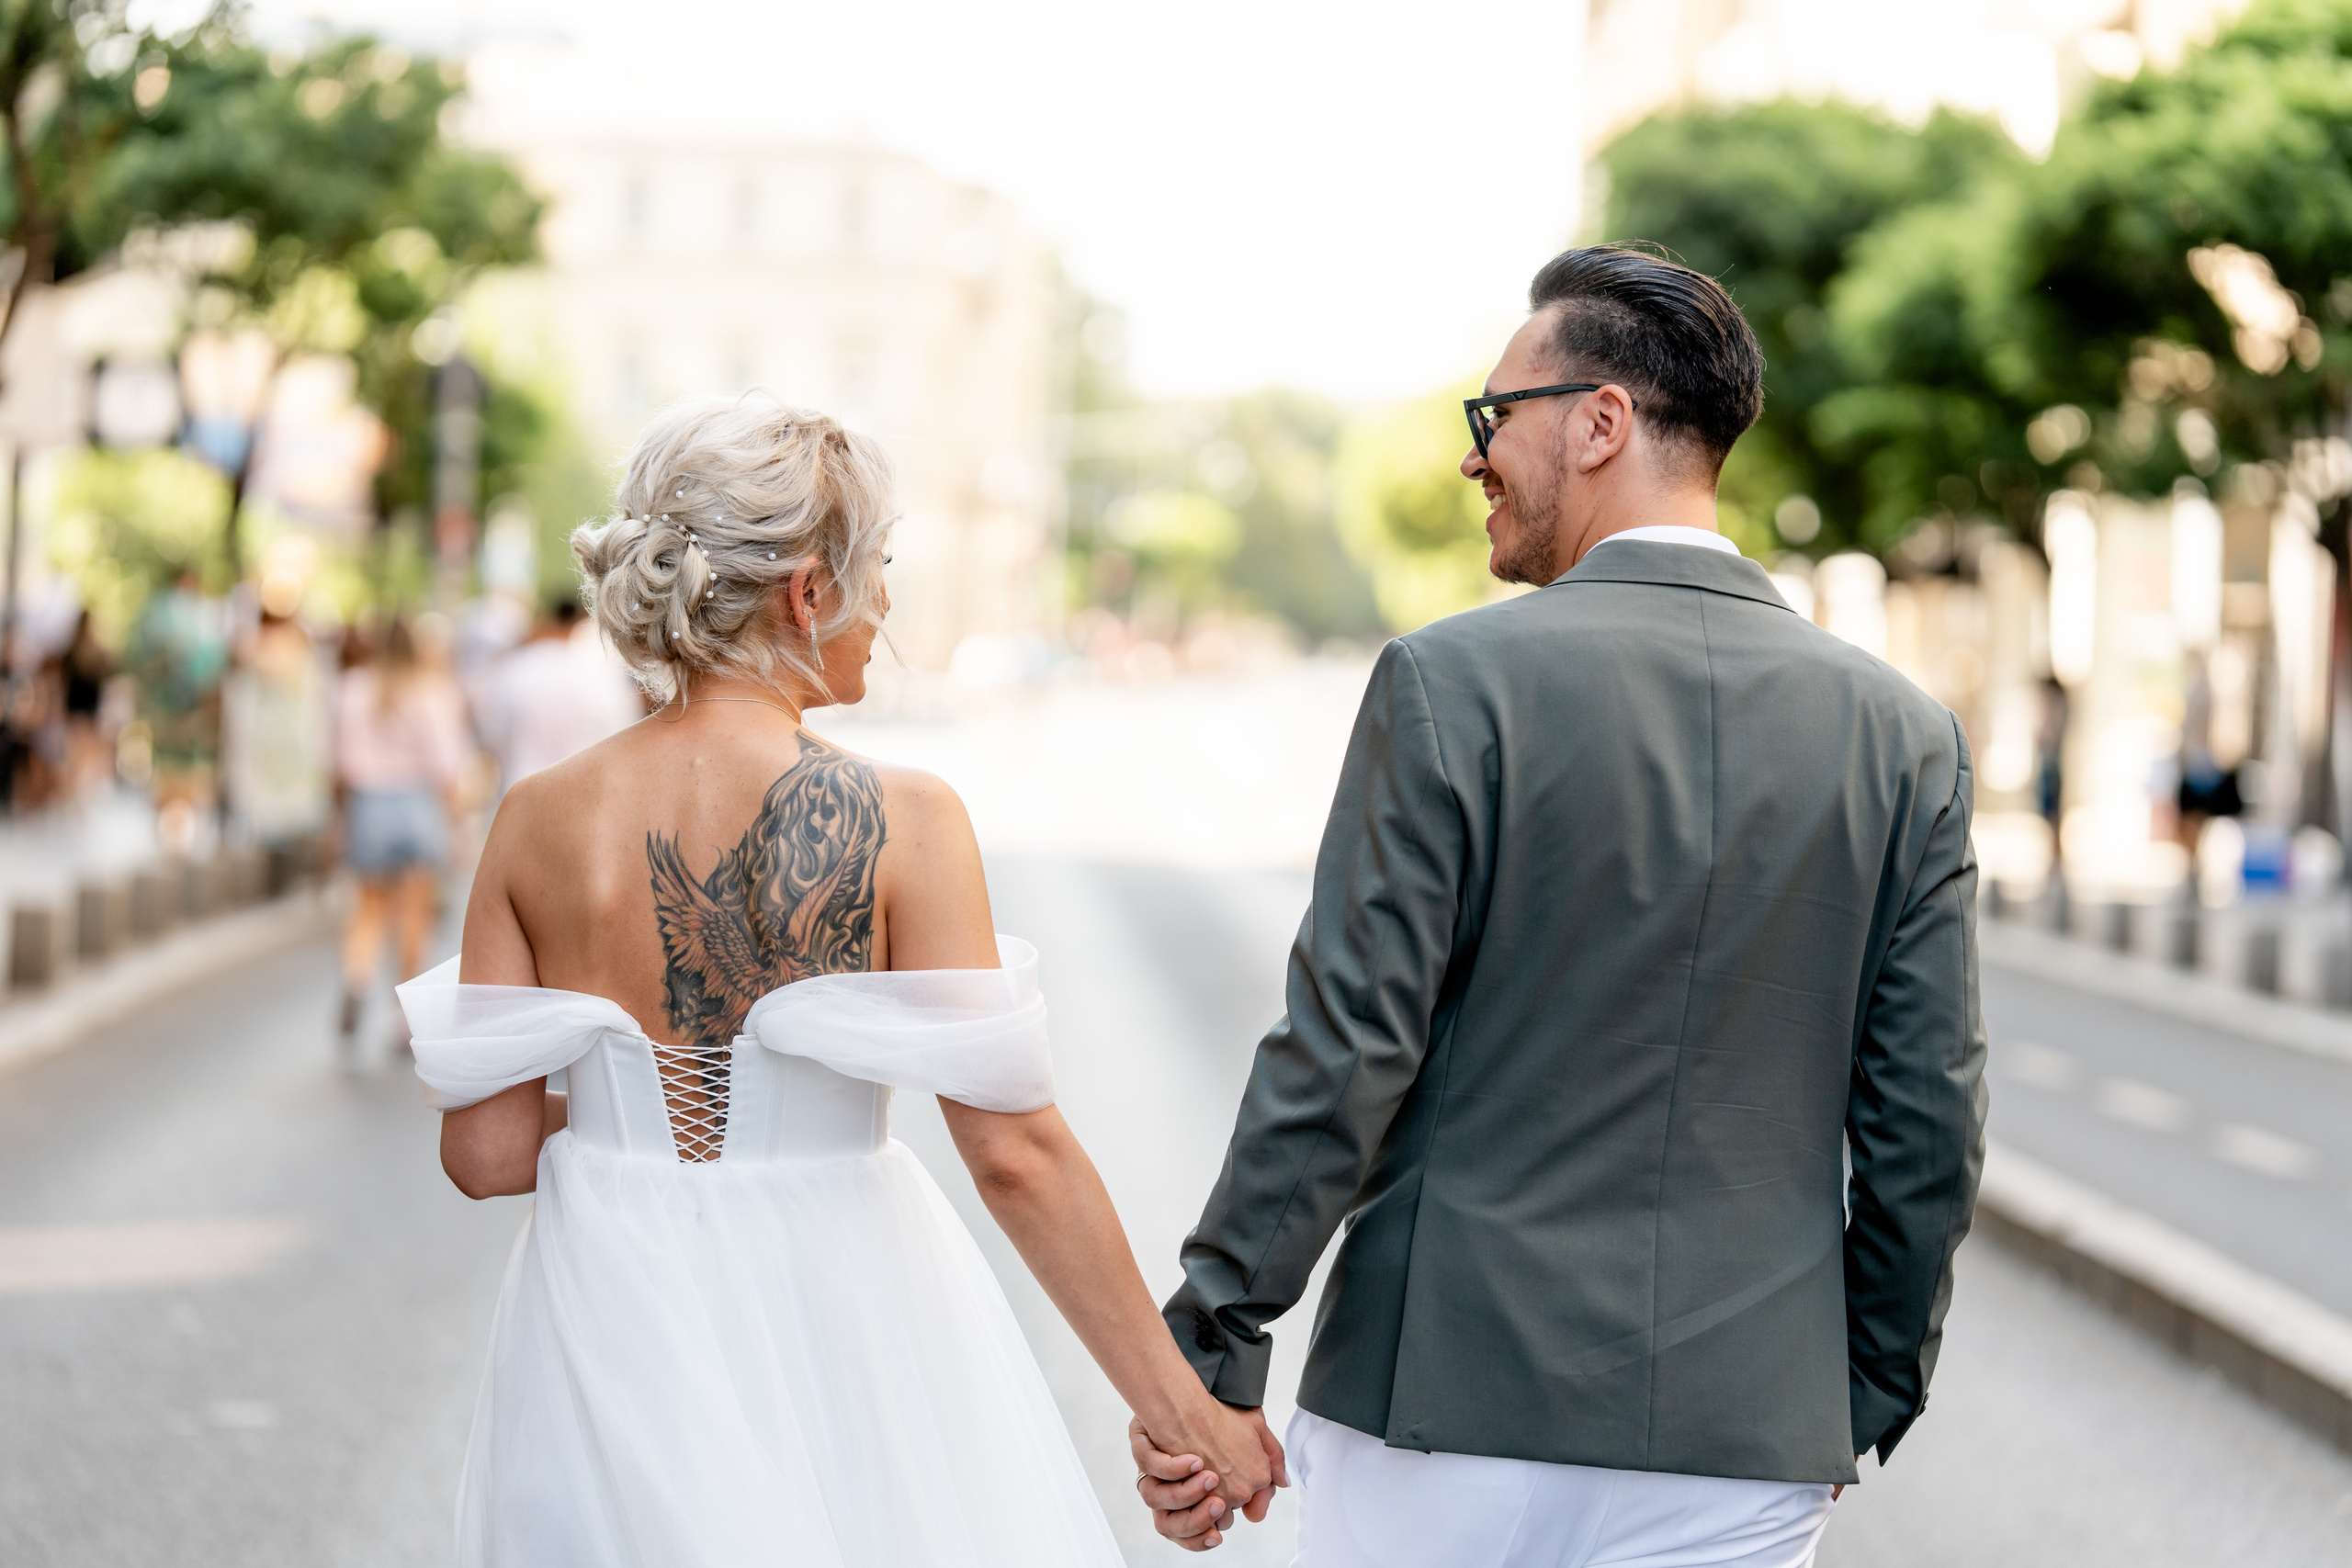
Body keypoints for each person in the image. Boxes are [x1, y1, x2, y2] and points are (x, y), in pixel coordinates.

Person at [1134, 246, 1986, 1564]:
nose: (1474, 459)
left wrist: (1216, 1337)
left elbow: (1350, 1047)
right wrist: (1857, 1388)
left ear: (1603, 423)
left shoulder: (1449, 684)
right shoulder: (1905, 736)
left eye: (1495, 419)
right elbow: (1928, 1114)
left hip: (1440, 1410)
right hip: (1744, 1436)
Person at [398, 397, 1278, 1566]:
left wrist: (637, 1104)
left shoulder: (537, 818)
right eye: (880, 571)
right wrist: (1179, 1410)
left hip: (607, 1318)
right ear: (807, 593)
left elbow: (488, 1155)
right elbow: (1012, 1153)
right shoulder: (904, 820)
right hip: (836, 1298)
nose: (888, 605)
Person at [334, 616, 471, 1054]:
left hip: (369, 802)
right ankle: (401, 1019)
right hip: (418, 804)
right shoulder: (433, 691)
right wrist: (455, 823)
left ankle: (356, 981)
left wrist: (336, 819)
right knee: (414, 914)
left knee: (369, 906)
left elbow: (338, 762)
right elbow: (448, 765)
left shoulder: (352, 688)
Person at [473, 595, 642, 793]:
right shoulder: (599, 673)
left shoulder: (515, 670)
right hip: (584, 791)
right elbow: (622, 730)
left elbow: (491, 732)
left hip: (521, 788)